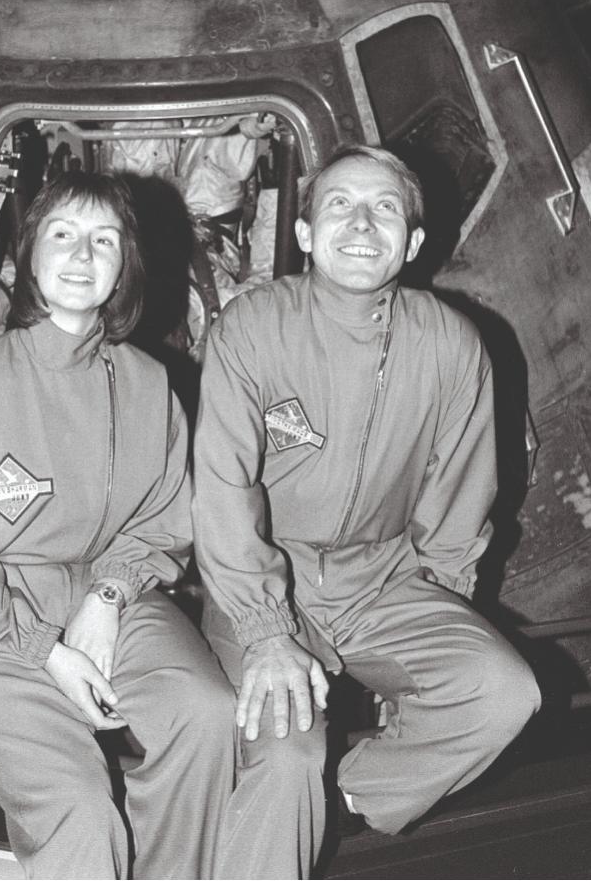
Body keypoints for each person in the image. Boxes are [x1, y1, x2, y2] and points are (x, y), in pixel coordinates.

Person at [193, 144, 541, 879]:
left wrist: (435, 625)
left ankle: (340, 793)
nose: (361, 222)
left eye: (384, 208)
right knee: (287, 750)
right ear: (305, 234)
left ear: (411, 243)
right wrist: (264, 632)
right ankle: (287, 798)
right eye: (339, 204)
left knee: (502, 689)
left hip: (383, 584)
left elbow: (458, 499)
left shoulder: (451, 344)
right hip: (267, 580)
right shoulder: (249, 331)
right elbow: (220, 491)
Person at [0, 170, 236, 880]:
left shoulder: (152, 384)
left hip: (107, 595)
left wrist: (110, 596)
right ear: (29, 257)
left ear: (125, 267)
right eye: (63, 234)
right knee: (80, 805)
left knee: (206, 715)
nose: (82, 254)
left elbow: (161, 514)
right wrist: (46, 650)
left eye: (104, 240)